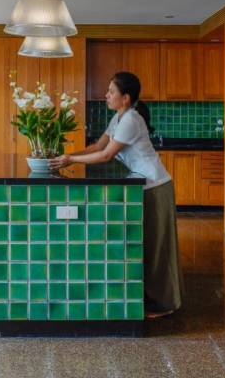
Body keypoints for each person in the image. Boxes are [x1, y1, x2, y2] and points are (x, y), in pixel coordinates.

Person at [50, 71, 184, 317]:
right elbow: (97, 146)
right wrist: (67, 157)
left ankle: (165, 304)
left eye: (111, 91)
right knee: (146, 244)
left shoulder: (131, 119)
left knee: (157, 248)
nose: (106, 95)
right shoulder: (119, 118)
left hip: (156, 186)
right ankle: (149, 298)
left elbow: (106, 155)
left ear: (125, 98)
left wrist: (70, 160)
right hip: (146, 185)